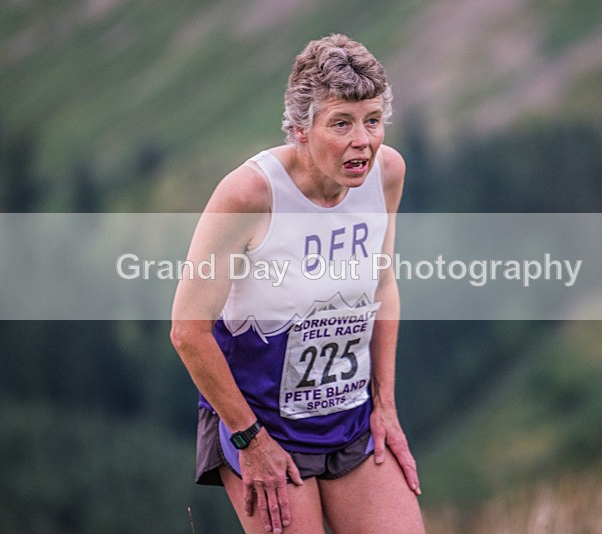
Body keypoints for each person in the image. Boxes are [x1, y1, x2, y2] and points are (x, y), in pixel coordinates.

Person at [170, 34, 424, 534]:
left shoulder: (386, 172)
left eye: (372, 121)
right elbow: (187, 329)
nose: (363, 142)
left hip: (352, 419)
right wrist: (250, 441)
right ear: (299, 130)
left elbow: (382, 285)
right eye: (341, 124)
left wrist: (385, 407)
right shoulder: (250, 194)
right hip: (262, 424)